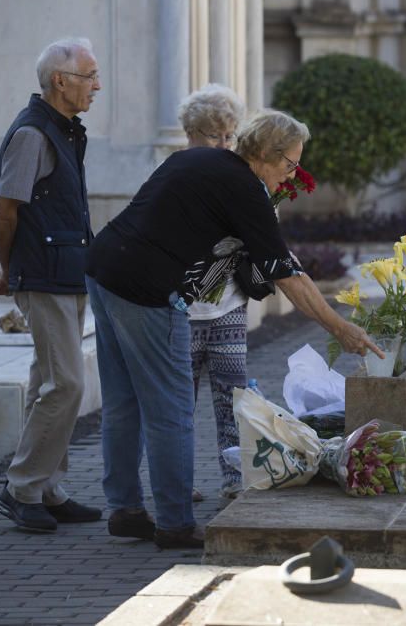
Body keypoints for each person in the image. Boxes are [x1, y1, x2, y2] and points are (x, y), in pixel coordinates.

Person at [86, 109, 383, 549]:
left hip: (103, 269)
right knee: (171, 410)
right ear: (265, 153)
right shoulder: (246, 190)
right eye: (289, 164)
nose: (292, 174)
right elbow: (287, 275)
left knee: (123, 403)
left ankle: (126, 508)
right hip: (147, 291)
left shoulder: (199, 160)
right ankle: (174, 523)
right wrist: (340, 328)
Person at [0, 37, 104, 532]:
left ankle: (48, 488)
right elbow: (3, 211)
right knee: (67, 384)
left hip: (66, 273)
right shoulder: (33, 134)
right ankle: (21, 489)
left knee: (45, 382)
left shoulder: (65, 130)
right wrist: (11, 269)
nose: (97, 86)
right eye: (89, 76)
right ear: (61, 81)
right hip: (45, 277)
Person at [177, 84, 248, 500]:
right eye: (212, 134)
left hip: (229, 307)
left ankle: (236, 478)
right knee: (179, 405)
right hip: (181, 311)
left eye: (228, 136)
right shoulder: (174, 176)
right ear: (189, 133)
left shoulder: (236, 177)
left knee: (232, 398)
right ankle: (179, 484)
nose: (222, 144)